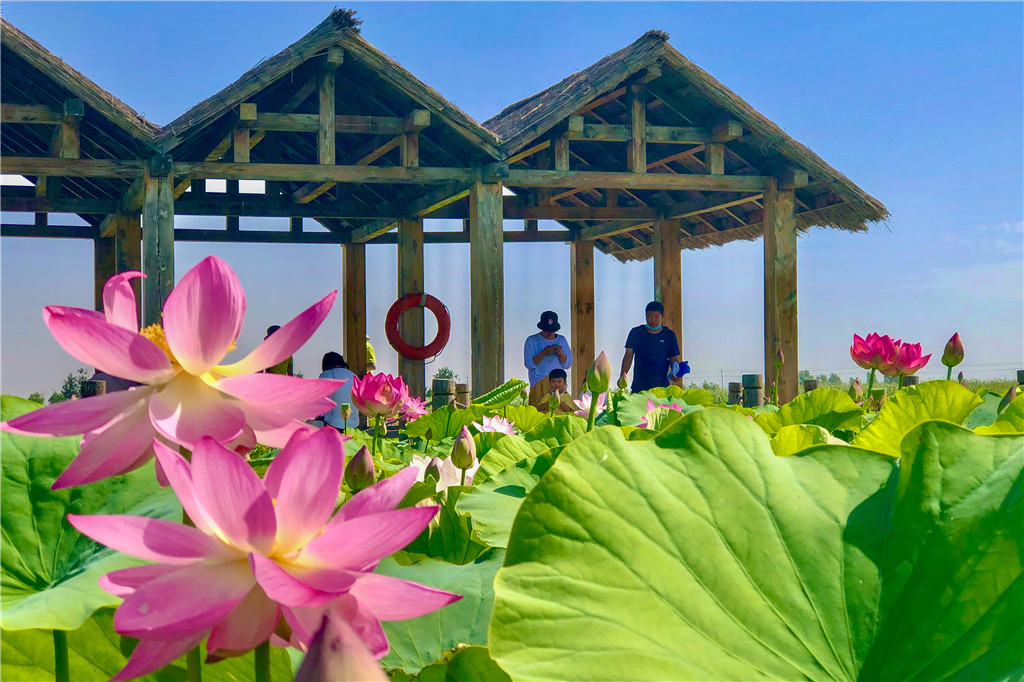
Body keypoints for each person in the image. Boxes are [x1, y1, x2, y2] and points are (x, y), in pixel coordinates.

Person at [619, 301, 681, 393]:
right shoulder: (636, 332)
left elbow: (673, 358)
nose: (653, 320)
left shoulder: (669, 335)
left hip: (661, 387)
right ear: (645, 316)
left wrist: (677, 373)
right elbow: (628, 355)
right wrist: (623, 374)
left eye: (656, 317)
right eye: (650, 316)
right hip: (639, 386)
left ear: (662, 317)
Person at [524, 311, 572, 408]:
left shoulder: (561, 339)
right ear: (542, 328)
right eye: (547, 330)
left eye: (553, 331)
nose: (550, 333)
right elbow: (529, 364)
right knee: (538, 413)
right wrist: (544, 353)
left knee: (561, 413)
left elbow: (567, 364)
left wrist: (561, 354)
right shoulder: (531, 340)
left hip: (558, 382)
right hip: (539, 381)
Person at [319, 352, 356, 431]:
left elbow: (320, 401)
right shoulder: (353, 375)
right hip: (354, 424)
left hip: (333, 423)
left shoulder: (326, 374)